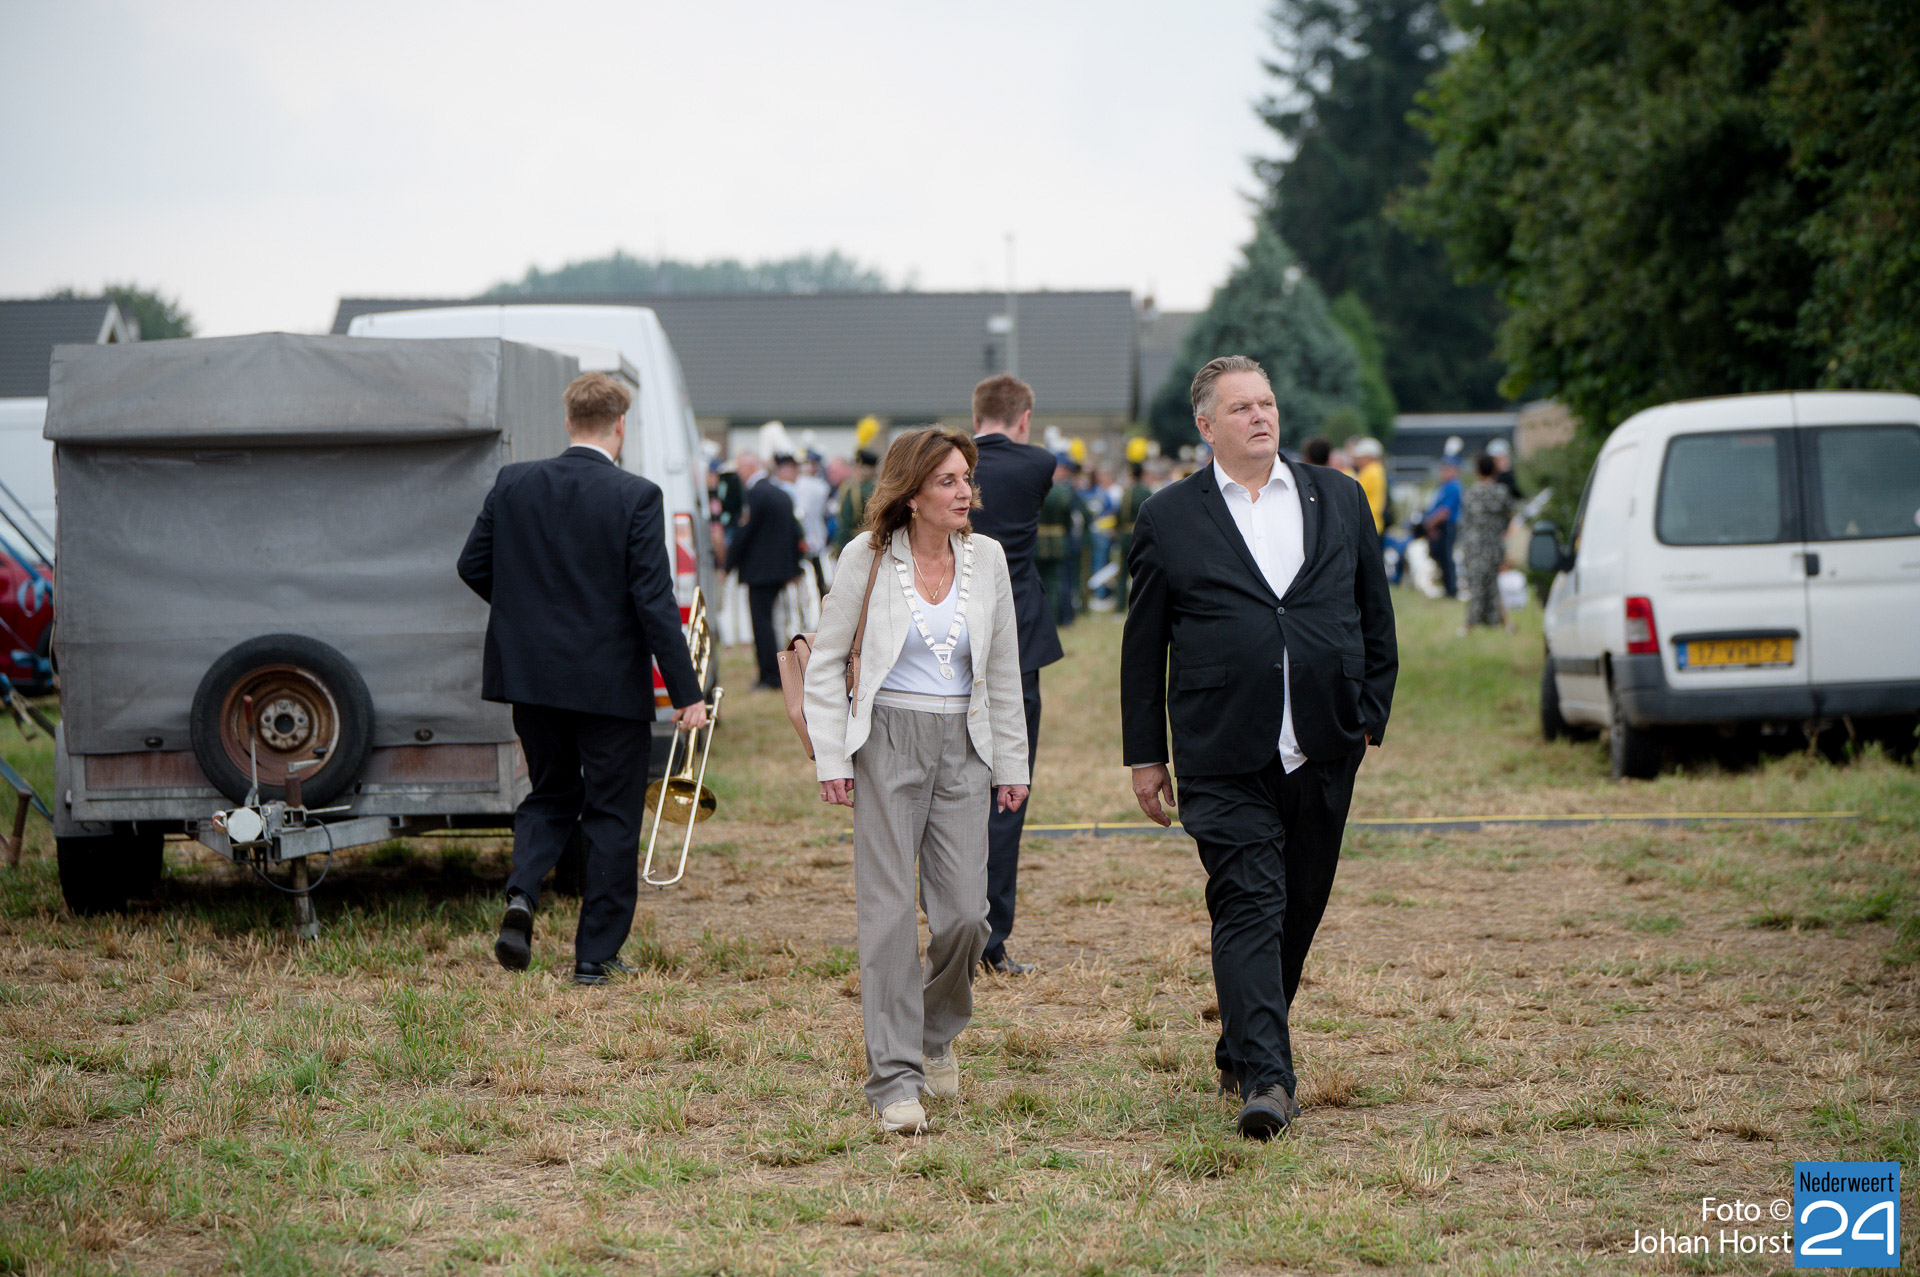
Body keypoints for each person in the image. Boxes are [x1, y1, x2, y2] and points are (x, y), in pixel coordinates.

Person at [1121, 355, 1397, 1141]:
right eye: (1241, 407)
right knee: (1249, 901)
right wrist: (1146, 753)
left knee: (1297, 909)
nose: (1260, 416)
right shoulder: (1168, 515)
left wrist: (1368, 715)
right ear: (1206, 425)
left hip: (1324, 743)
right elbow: (1143, 647)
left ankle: (1240, 1046)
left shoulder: (1338, 495)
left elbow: (1374, 611)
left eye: (1266, 402)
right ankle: (1270, 1080)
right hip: (1221, 748)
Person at [803, 427, 1030, 1136]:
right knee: (890, 916)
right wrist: (833, 758)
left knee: (966, 915)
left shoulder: (987, 558)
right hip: (886, 743)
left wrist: (1012, 764)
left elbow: (1003, 669)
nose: (965, 493)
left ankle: (934, 1030)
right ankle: (895, 1080)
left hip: (965, 746)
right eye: (948, 481)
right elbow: (825, 661)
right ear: (911, 493)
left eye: (967, 479)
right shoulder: (866, 557)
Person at [457, 372, 708, 986]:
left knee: (549, 794)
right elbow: (654, 602)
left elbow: (472, 565)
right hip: (609, 685)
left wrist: (524, 618)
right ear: (621, 425)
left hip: (532, 679)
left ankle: (522, 895)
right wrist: (687, 694)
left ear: (568, 421)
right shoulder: (637, 496)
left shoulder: (513, 483)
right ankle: (594, 956)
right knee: (612, 813)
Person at [968, 374, 1062, 976]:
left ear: (974, 415)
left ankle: (951, 920)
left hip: (949, 638)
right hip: (1016, 640)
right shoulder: (1038, 464)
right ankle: (990, 938)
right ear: (1024, 419)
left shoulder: (948, 465)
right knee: (1008, 790)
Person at [729, 453, 804, 690]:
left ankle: (769, 675)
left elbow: (744, 532)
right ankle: (776, 672)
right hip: (780, 570)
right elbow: (794, 531)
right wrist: (795, 566)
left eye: (740, 468)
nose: (738, 474)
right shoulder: (780, 493)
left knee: (761, 624)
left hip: (759, 572)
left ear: (749, 467)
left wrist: (728, 564)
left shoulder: (755, 494)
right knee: (773, 622)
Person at [1458, 453, 1516, 633]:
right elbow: (1509, 517)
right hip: (1495, 544)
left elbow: (1465, 519)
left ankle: (1469, 624)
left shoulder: (1471, 493)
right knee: (1493, 583)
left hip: (1474, 545)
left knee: (1475, 584)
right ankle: (1503, 623)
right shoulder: (1501, 492)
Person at [1037, 460, 1082, 627]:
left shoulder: (1038, 491)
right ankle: (1057, 618)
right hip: (1058, 541)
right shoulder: (1063, 493)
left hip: (1039, 541)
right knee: (1057, 582)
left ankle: (1044, 618)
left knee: (1041, 582)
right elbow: (1069, 521)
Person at [1114, 461, 1154, 610]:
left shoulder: (1126, 493)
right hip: (1141, 535)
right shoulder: (1146, 492)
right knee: (1142, 573)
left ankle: (1119, 605)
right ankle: (1141, 605)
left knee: (1123, 572)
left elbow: (1118, 515)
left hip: (1125, 535)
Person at [1421, 459, 1464, 598]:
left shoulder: (1454, 487)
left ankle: (1451, 589)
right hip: (1438, 527)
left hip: (1447, 526)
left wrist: (1429, 524)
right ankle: (1446, 586)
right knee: (1440, 557)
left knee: (1447, 557)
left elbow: (1444, 511)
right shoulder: (1443, 487)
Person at [833, 450, 879, 553]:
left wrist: (839, 548)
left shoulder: (854, 491)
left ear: (861, 468)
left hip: (854, 546)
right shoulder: (881, 490)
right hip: (876, 546)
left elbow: (846, 522)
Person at [1349, 436, 1388, 534]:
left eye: (1360, 457)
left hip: (1368, 524)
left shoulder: (1371, 471)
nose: (1357, 460)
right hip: (1373, 523)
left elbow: (1354, 491)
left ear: (1369, 457)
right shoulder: (1376, 469)